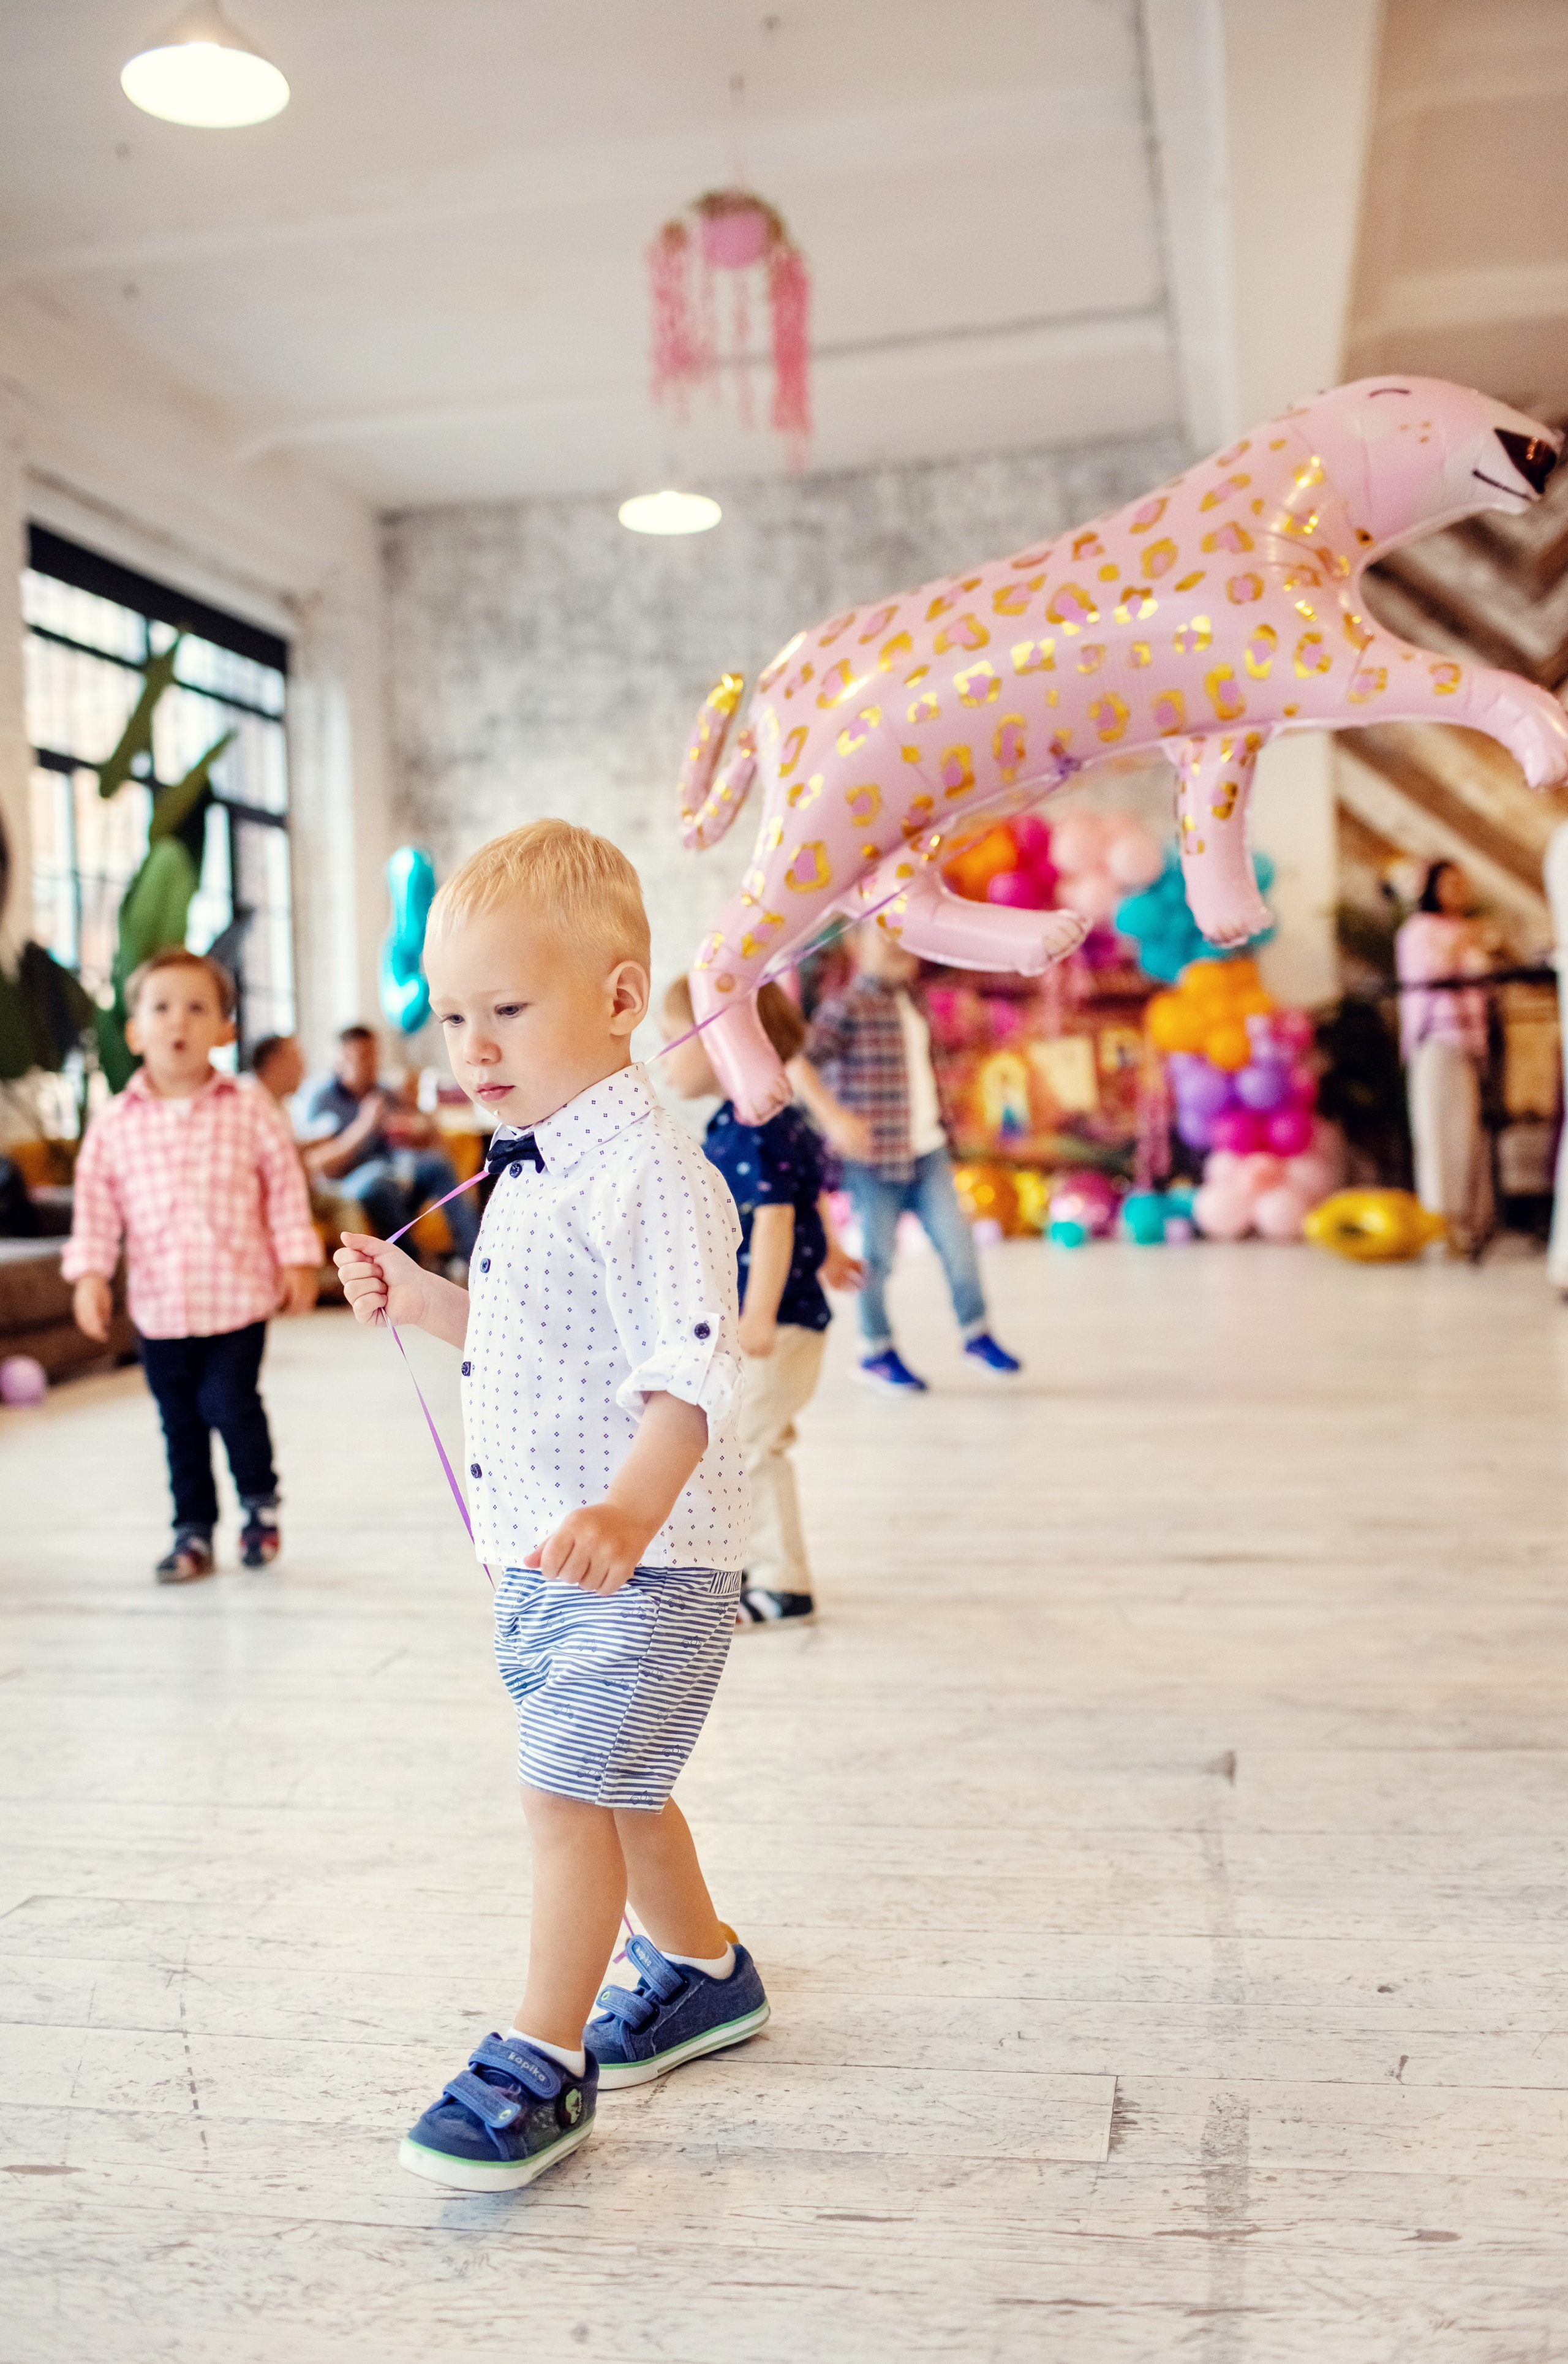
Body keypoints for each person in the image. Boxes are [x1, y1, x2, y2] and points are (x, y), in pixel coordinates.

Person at [334, 818, 767, 2196]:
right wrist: (423, 1301)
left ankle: (541, 2051)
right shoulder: (530, 1163)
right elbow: (536, 1346)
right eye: (453, 1015)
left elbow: (690, 1374)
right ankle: (701, 1967)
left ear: (622, 998)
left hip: (644, 1555)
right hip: (548, 1551)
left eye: (507, 1010)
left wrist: (630, 1513)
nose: (473, 1045)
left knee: (564, 1791)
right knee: (619, 1783)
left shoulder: (651, 1175)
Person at [62, 948, 321, 1582]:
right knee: (179, 1421)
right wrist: (91, 1275)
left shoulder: (249, 1105)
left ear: (224, 1030)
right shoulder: (114, 1123)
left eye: (197, 1007)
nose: (178, 1020)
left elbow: (284, 1184)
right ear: (135, 1032)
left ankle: (259, 1503)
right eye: (161, 1008)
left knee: (229, 1400)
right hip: (160, 1305)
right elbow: (96, 1205)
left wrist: (297, 1257)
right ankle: (192, 1530)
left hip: (237, 1296)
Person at [662, 973, 863, 1629]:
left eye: (673, 1041)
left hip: (776, 1323)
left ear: (723, 1046)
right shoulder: (755, 1118)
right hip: (779, 1317)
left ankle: (783, 1584)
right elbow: (809, 1195)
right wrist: (832, 1253)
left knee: (754, 1443)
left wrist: (757, 1314)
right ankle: (750, 1564)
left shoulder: (754, 1126)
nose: (662, 1058)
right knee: (739, 1442)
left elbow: (777, 1217)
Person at [795, 917, 1022, 1394]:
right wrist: (834, 1117)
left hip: (927, 1149)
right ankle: (875, 1349)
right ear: (855, 943)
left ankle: (976, 1332)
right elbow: (800, 1065)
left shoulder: (914, 1001)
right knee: (876, 1256)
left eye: (907, 937)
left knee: (959, 1244)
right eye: (886, 936)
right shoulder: (846, 1007)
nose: (900, 946)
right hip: (875, 1160)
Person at [301, 1024, 480, 1275]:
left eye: (374, 1055)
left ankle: (475, 1257)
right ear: (341, 1060)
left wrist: (417, 1126)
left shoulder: (384, 1092)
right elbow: (318, 1164)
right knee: (377, 1180)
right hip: (349, 1186)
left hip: (396, 1178)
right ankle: (416, 1266)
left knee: (435, 1165)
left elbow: (431, 1133)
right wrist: (365, 1125)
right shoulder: (321, 1099)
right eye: (363, 1057)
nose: (371, 1065)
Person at [1396, 859, 1496, 1253]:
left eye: (1462, 883)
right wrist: (1462, 943)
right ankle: (1442, 1227)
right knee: (1438, 1132)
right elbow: (1430, 976)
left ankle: (1473, 1222)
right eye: (1449, 883)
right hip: (1436, 1039)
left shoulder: (1468, 930)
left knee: (1468, 1134)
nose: (1458, 891)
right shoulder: (1418, 931)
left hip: (1469, 1041)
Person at [251, 1033, 305, 1104]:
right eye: (295, 1059)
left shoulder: (285, 1106)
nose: (301, 1068)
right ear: (273, 1062)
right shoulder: (245, 1101)